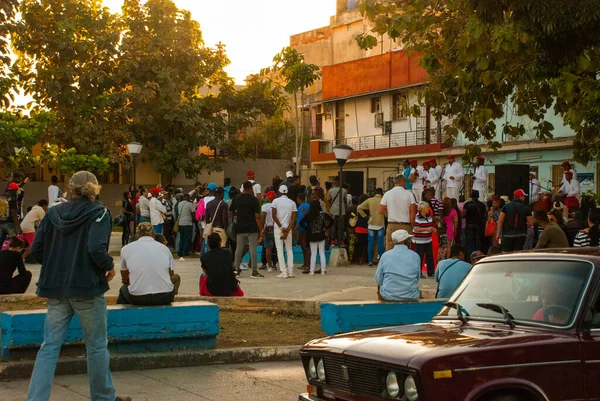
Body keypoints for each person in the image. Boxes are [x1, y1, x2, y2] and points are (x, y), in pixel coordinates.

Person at [27, 171, 130, 401]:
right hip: (87, 287)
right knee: (95, 347)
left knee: (49, 346)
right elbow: (95, 248)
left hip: (55, 287)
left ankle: (36, 398)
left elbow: (36, 250)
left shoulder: (52, 213)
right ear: (95, 189)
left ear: (70, 188)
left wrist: (56, 264)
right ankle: (103, 397)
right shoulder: (100, 213)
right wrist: (109, 265)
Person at [118, 223, 180, 305]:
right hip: (165, 296)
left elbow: (125, 278)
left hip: (138, 298)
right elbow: (170, 274)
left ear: (136, 236)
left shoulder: (125, 249)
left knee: (124, 289)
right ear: (154, 235)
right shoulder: (164, 249)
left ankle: (123, 316)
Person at [375, 229, 421, 301]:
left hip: (388, 296)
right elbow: (417, 277)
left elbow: (379, 279)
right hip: (411, 296)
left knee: (380, 286)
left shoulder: (385, 255)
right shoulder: (415, 256)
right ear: (407, 241)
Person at [230, 181, 263, 279]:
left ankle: (236, 269)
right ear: (250, 188)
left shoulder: (237, 198)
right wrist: (261, 229)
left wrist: (239, 214)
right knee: (253, 249)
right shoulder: (254, 200)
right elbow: (257, 216)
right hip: (252, 227)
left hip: (240, 226)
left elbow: (230, 211)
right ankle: (254, 271)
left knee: (239, 248)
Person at [380, 174, 417, 251]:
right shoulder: (409, 194)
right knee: (405, 250)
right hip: (405, 225)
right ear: (403, 182)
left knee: (390, 249)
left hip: (392, 225)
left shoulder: (387, 194)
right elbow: (412, 213)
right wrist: (412, 226)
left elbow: (381, 211)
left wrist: (389, 210)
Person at [300, 200, 334, 275]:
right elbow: (332, 221)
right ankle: (323, 271)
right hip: (321, 235)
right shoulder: (323, 214)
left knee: (313, 253)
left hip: (312, 235)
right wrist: (326, 227)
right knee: (322, 253)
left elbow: (301, 222)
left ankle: (311, 271)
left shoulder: (309, 214)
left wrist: (308, 229)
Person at [272, 184, 298, 278]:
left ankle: (284, 272)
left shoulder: (275, 201)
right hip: (288, 229)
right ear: (287, 192)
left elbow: (274, 216)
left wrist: (281, 227)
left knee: (280, 250)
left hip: (278, 228)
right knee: (289, 249)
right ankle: (290, 271)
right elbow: (293, 218)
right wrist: (288, 228)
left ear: (279, 191)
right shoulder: (292, 203)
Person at [358, 188, 385, 266]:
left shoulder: (370, 200)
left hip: (371, 224)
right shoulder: (383, 200)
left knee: (371, 243)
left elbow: (359, 208)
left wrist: (365, 216)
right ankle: (381, 261)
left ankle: (370, 261)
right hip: (380, 223)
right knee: (380, 243)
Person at [462, 190, 487, 261]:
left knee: (469, 244)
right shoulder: (482, 205)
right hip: (479, 225)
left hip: (469, 225)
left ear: (471, 195)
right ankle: (479, 259)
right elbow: (485, 215)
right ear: (478, 196)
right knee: (478, 243)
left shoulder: (467, 204)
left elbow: (463, 214)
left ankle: (468, 259)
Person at [413, 201, 436, 277]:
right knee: (420, 257)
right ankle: (419, 273)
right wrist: (427, 228)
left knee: (430, 256)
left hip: (428, 239)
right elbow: (416, 229)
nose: (428, 209)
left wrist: (432, 229)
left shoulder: (429, 217)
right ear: (422, 209)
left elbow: (430, 226)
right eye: (427, 207)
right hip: (419, 240)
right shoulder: (417, 217)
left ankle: (431, 272)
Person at [260, 191, 277, 271]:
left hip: (268, 228)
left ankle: (269, 266)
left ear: (269, 197)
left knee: (268, 249)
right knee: (276, 248)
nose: (265, 197)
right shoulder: (277, 205)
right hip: (276, 228)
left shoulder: (265, 206)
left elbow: (263, 217)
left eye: (267, 196)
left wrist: (261, 229)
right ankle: (275, 264)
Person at [327, 177, 347, 244]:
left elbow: (329, 200)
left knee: (333, 226)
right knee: (341, 227)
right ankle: (341, 240)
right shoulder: (344, 190)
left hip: (333, 211)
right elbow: (345, 200)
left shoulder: (330, 190)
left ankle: (332, 240)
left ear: (334, 182)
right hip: (341, 211)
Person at [177, 193, 196, 261]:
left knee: (182, 238)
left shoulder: (179, 204)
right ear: (187, 198)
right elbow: (193, 213)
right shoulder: (190, 204)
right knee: (187, 238)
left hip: (181, 223)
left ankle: (180, 252)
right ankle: (185, 252)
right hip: (188, 223)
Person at [296, 193, 311, 272]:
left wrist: (297, 226)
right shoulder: (308, 205)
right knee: (305, 247)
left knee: (304, 247)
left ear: (298, 199)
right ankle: (305, 263)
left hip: (302, 229)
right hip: (307, 228)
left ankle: (307, 264)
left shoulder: (301, 207)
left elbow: (301, 217)